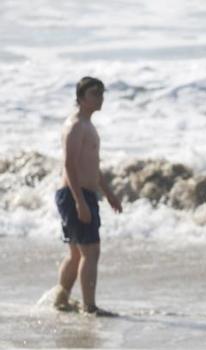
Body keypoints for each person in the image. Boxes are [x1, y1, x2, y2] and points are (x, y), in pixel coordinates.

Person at [52, 76, 122, 316]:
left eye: (102, 94)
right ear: (81, 98)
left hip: (83, 194)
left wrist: (109, 194)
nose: (100, 98)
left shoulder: (88, 125)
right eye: (94, 94)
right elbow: (69, 165)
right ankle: (89, 306)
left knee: (76, 253)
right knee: (91, 251)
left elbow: (92, 166)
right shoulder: (76, 126)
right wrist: (80, 202)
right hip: (75, 195)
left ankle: (61, 299)